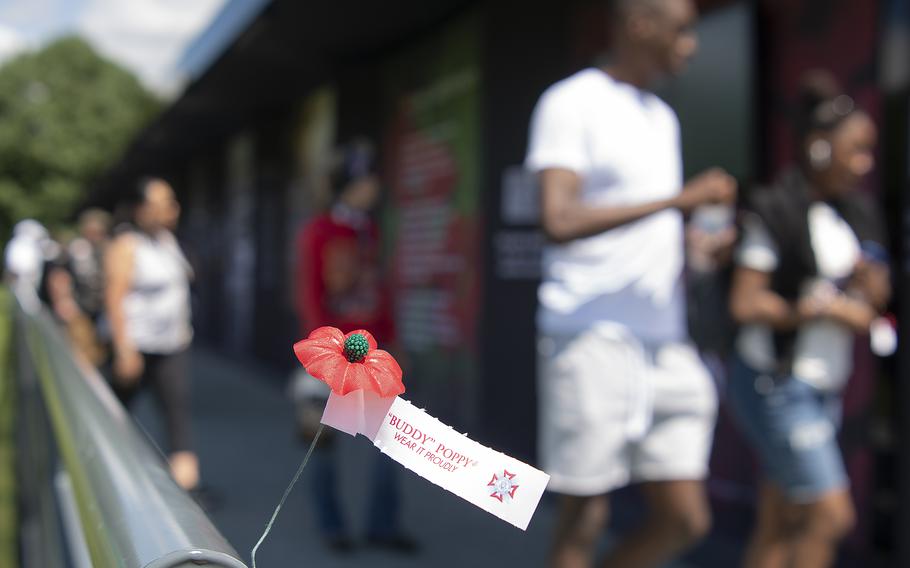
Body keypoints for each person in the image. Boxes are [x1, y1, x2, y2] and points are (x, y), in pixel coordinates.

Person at [525, 0, 737, 566]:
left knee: (686, 519)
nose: (691, 44)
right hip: (589, 336)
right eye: (683, 30)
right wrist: (678, 200)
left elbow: (644, 225)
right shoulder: (571, 102)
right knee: (584, 518)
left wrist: (693, 244)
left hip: (665, 344)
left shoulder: (661, 117)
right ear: (639, 24)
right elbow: (559, 219)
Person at [726, 72, 889, 568]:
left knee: (782, 519)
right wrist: (812, 308)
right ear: (819, 148)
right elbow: (746, 303)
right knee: (830, 517)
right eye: (855, 150)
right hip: (777, 383)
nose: (864, 163)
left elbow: (876, 297)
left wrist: (863, 295)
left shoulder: (856, 214)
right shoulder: (777, 212)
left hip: (824, 385)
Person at [291, 138, 414, 553]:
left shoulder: (370, 231)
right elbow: (309, 296)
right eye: (369, 177)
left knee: (391, 441)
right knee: (323, 442)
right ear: (352, 183)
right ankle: (332, 525)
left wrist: (394, 341)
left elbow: (383, 291)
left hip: (376, 355)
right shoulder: (320, 231)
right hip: (335, 356)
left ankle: (383, 523)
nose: (376, 184)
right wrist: (322, 356)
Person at [104, 178, 200, 492]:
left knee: (178, 415)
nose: (171, 210)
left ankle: (188, 494)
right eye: (161, 204)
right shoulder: (127, 245)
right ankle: (108, 478)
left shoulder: (169, 242)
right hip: (137, 345)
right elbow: (115, 298)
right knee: (115, 414)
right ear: (140, 209)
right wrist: (123, 348)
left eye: (171, 202)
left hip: (172, 345)